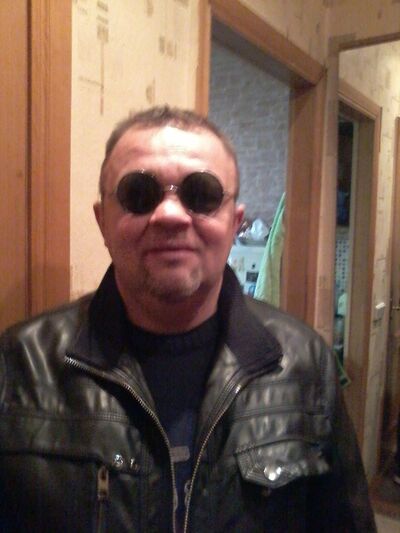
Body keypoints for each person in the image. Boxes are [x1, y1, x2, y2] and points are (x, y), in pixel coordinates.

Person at [0, 106, 376, 532]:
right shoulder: (19, 363)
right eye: (139, 194)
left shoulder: (305, 363)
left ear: (234, 224)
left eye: (201, 194)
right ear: (103, 222)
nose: (170, 215)